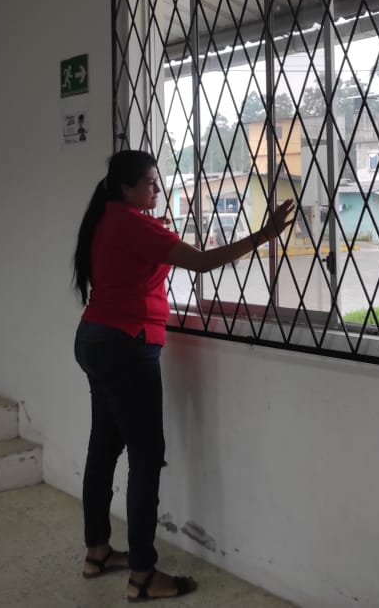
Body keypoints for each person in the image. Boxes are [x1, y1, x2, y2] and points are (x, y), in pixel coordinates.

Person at [72, 149, 294, 602]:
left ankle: (97, 552)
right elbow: (203, 261)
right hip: (126, 345)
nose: (158, 188)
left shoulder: (106, 217)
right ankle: (143, 575)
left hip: (95, 338)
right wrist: (264, 234)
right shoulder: (133, 224)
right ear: (127, 187)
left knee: (104, 447)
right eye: (151, 182)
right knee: (146, 457)